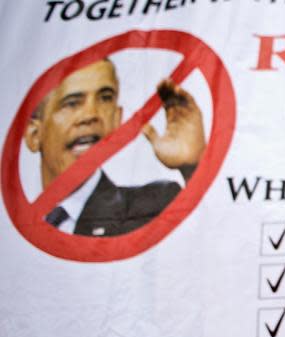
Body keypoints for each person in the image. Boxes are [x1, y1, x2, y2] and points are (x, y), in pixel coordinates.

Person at [23, 58, 205, 236]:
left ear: (117, 119)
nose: (91, 115)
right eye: (72, 103)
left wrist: (193, 171)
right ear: (34, 135)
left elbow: (212, 240)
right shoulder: (13, 231)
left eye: (105, 98)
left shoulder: (155, 204)